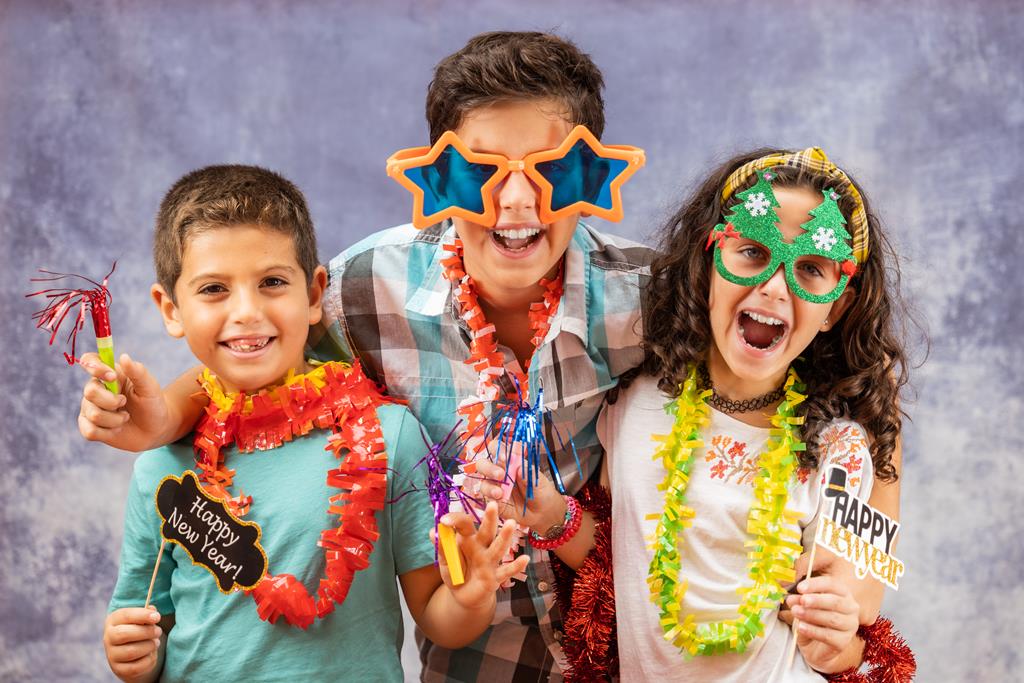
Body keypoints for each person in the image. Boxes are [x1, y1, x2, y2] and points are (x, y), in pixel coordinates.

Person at [79, 32, 655, 680]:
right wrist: (162, 420)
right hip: (475, 663)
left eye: (550, 168)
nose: (516, 201)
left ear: (590, 176)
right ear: (438, 178)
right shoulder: (365, 287)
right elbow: (257, 354)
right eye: (480, 170)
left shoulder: (651, 302)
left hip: (631, 657)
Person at [98, 164, 528, 682]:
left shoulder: (389, 437)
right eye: (214, 289)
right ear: (170, 309)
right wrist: (130, 657)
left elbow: (440, 622)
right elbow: (146, 625)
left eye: (272, 282)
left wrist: (471, 596)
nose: (247, 312)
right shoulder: (162, 465)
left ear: (313, 294)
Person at [597, 148, 912, 680]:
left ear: (835, 308)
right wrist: (544, 515)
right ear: (708, 263)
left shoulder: (843, 449)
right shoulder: (636, 401)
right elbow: (608, 549)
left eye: (811, 268)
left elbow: (859, 607)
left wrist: (838, 636)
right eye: (751, 251)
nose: (773, 285)